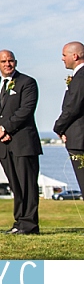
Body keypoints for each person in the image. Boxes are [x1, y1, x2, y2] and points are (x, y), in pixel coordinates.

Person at [0, 50, 41, 234]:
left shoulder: (27, 82)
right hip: (4, 144)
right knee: (15, 185)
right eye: (3, 61)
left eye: (10, 61)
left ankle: (30, 225)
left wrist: (5, 128)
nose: (7, 64)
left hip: (23, 143)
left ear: (15, 62)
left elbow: (26, 110)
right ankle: (19, 223)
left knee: (27, 185)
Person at [54, 42, 84, 197]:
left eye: (64, 55)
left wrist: (58, 127)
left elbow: (72, 108)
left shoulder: (80, 78)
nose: (62, 58)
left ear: (75, 56)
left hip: (80, 140)